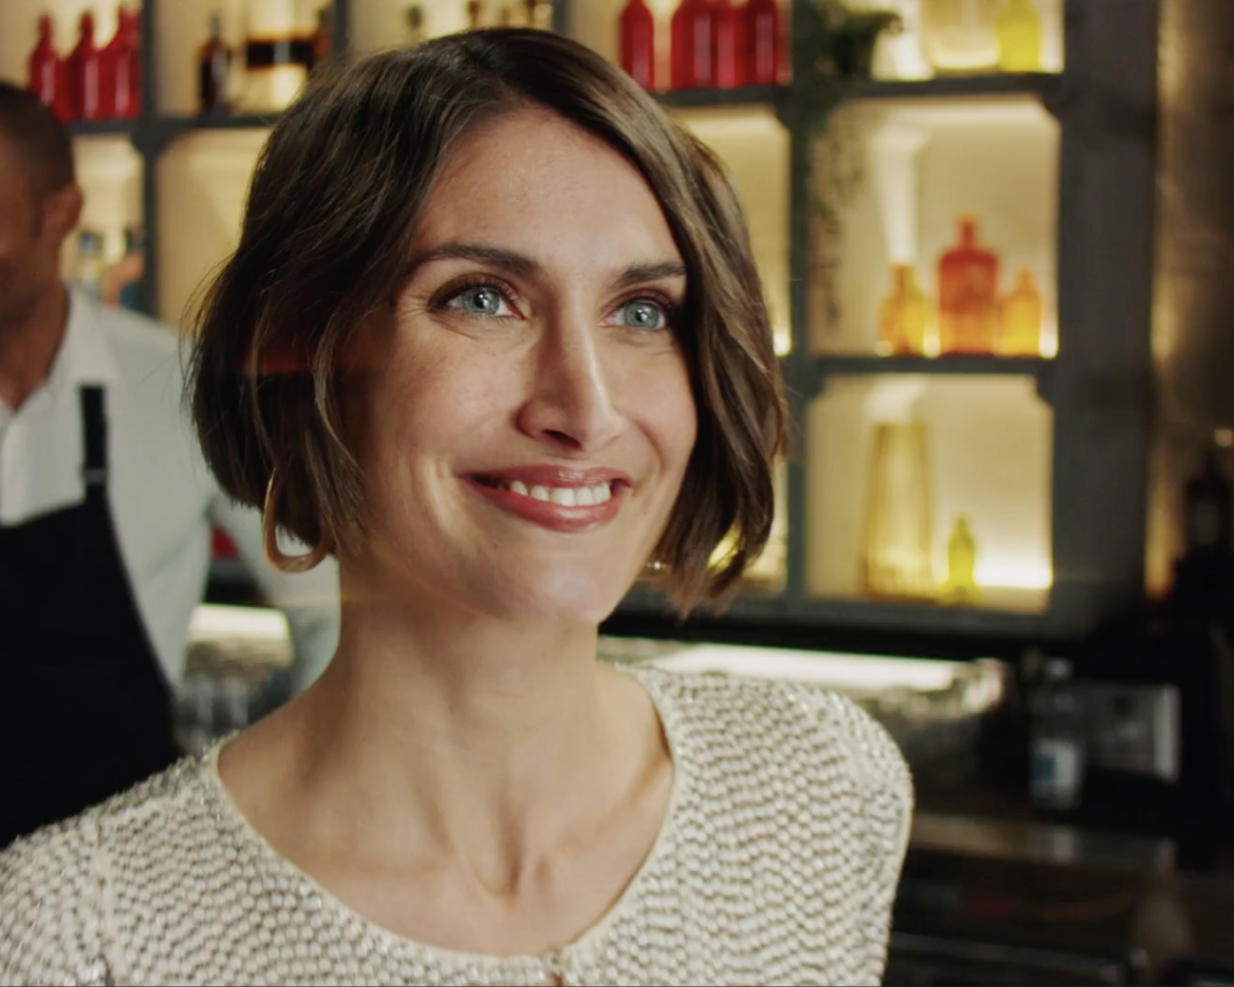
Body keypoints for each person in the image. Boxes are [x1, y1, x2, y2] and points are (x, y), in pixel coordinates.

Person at [0, 30, 911, 986]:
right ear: (303, 354)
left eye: (642, 311)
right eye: (483, 297)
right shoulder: (81, 928)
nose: (587, 408)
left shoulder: (826, 785)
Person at [0, 81, 339, 850]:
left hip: (121, 867)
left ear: (61, 214)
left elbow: (322, 598)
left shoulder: (172, 387)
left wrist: (296, 799)